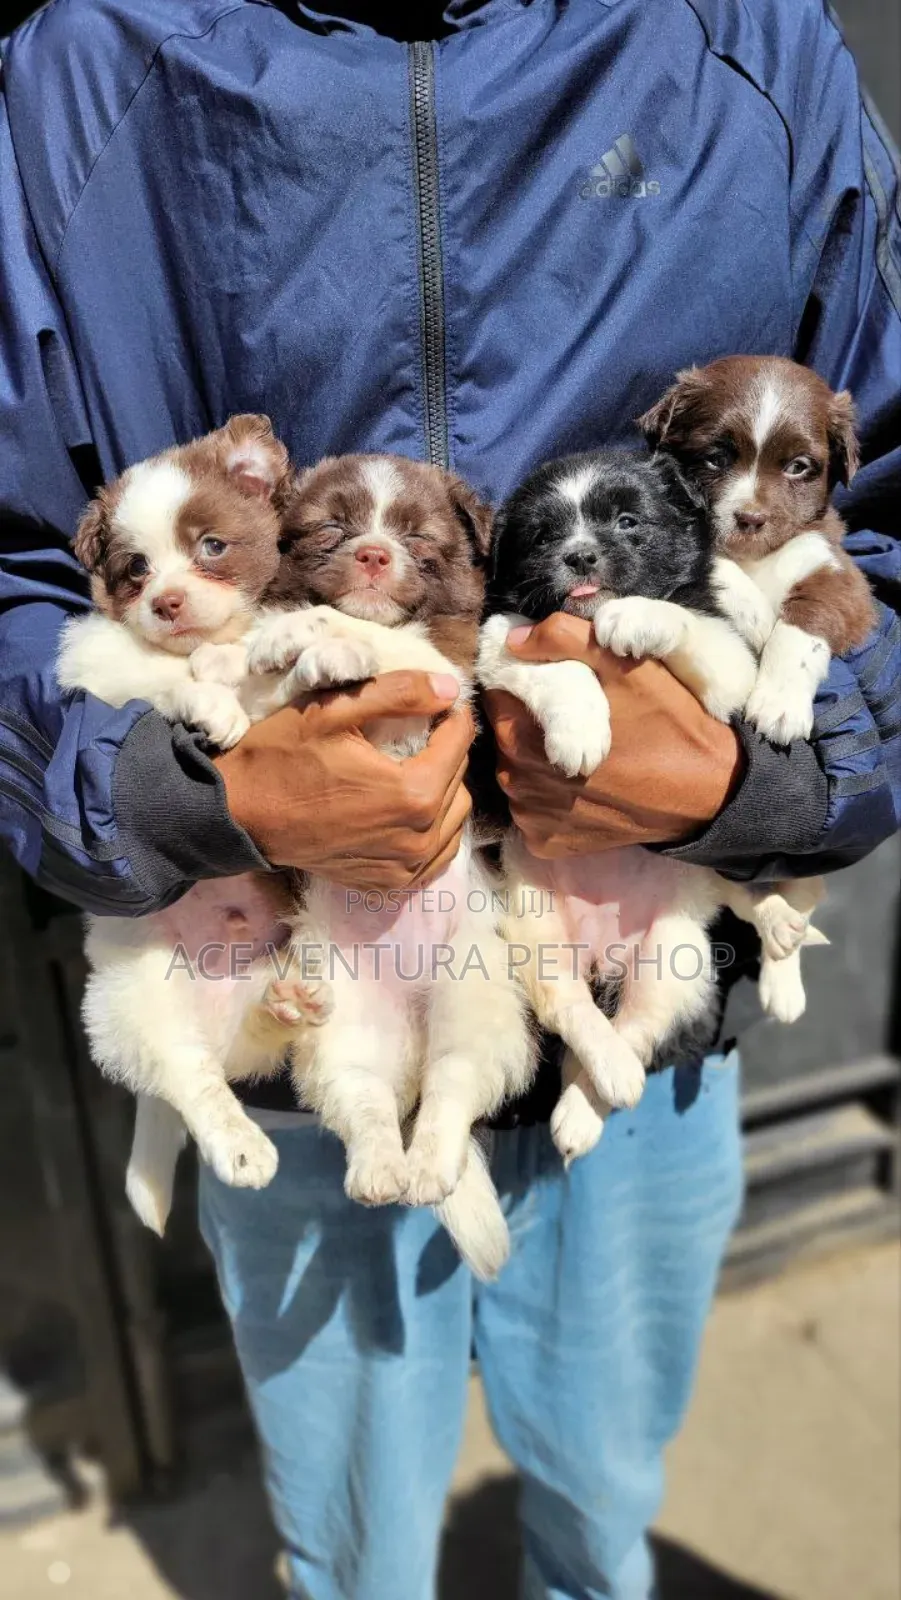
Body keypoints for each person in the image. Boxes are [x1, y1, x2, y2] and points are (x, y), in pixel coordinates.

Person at [1, 1, 898, 1595]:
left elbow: (885, 511)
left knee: (605, 1509)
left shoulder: (752, 42)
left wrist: (771, 777)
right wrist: (190, 788)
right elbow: (14, 560)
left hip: (636, 1026)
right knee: (350, 1549)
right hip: (294, 1010)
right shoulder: (90, 65)